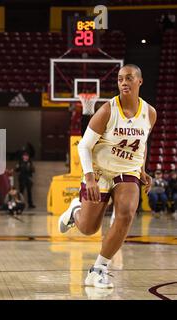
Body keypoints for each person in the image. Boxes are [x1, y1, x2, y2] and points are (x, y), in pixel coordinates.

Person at [58, 64, 156, 289]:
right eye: (120, 78)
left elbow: (141, 144)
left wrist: (141, 169)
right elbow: (84, 146)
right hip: (100, 171)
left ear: (139, 81)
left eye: (129, 78)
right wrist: (90, 177)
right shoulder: (107, 110)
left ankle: (98, 270)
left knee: (127, 213)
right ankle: (76, 211)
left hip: (127, 170)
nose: (123, 82)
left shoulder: (150, 113)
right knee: (88, 228)